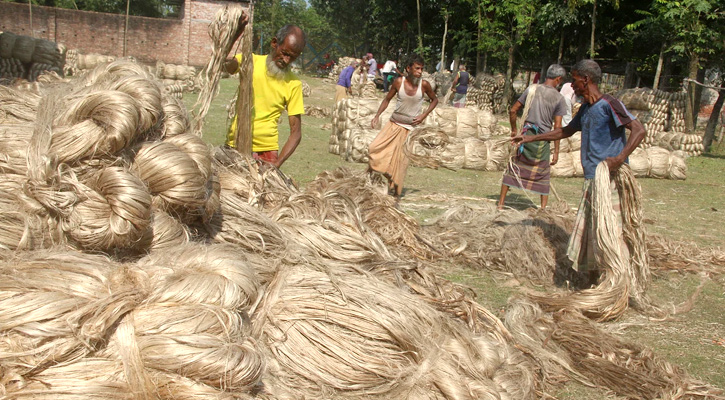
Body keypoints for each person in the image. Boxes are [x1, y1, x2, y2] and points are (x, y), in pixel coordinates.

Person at [512, 59, 646, 283]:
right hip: (592, 180)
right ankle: (594, 278)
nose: (571, 85)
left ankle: (618, 280)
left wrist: (619, 158)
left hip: (610, 181)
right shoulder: (586, 109)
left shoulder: (610, 104)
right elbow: (564, 131)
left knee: (613, 231)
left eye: (574, 80)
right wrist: (529, 137)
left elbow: (639, 130)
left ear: (586, 79)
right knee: (593, 232)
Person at [224, 25, 306, 168]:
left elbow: (296, 133)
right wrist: (236, 31)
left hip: (266, 154)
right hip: (234, 145)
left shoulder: (294, 83)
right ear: (274, 43)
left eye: (292, 57)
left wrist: (276, 164)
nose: (286, 60)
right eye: (284, 53)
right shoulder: (251, 62)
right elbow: (224, 64)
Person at [368, 54, 439, 199]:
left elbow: (434, 100)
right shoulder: (398, 82)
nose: (420, 71)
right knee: (374, 148)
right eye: (417, 68)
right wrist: (377, 115)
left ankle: (395, 190)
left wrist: (423, 116)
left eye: (422, 69)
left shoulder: (424, 85)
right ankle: (374, 175)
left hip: (409, 130)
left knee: (400, 161)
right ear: (408, 68)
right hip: (393, 125)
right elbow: (387, 99)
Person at [498, 64, 568, 210]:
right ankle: (543, 209)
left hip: (524, 138)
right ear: (558, 79)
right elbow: (557, 127)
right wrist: (556, 151)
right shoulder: (559, 98)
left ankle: (501, 203)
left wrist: (514, 130)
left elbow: (513, 110)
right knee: (543, 173)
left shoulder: (532, 89)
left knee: (513, 168)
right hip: (542, 140)